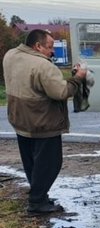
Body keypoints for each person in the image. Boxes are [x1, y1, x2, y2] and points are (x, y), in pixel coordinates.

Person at [2, 29, 87, 214]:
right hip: (43, 122)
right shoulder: (42, 65)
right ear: (38, 46)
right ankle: (37, 202)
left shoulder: (11, 55)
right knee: (49, 164)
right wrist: (78, 78)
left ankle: (39, 195)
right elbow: (61, 92)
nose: (52, 51)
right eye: (49, 47)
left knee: (31, 163)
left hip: (20, 120)